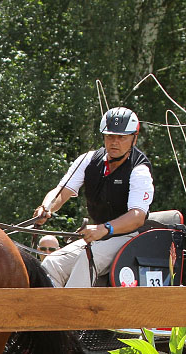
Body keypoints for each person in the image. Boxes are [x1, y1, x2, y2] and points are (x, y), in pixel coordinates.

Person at [33, 107, 154, 287]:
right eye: (110, 136)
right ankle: (51, 304)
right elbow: (61, 192)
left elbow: (137, 217)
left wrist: (105, 228)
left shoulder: (139, 169)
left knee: (87, 258)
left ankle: (73, 304)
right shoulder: (88, 160)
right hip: (98, 236)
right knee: (52, 263)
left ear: (134, 139)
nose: (114, 142)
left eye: (121, 137)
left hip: (128, 236)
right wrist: (46, 207)